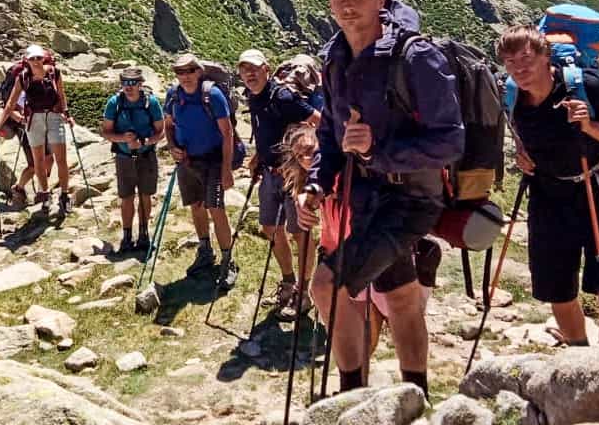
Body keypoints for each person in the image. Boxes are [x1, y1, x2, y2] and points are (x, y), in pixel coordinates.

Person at [295, 0, 464, 396]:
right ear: (330, 5)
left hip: (410, 200)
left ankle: (351, 396)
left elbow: (450, 141)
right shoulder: (334, 58)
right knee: (404, 297)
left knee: (327, 286)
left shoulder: (415, 56)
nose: (348, 6)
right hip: (365, 199)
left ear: (380, 0)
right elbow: (331, 135)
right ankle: (417, 394)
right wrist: (315, 183)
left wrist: (378, 152)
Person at [497, 25, 599, 345]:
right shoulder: (511, 93)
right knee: (557, 289)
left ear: (546, 57)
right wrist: (522, 156)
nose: (519, 68)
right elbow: (524, 136)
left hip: (598, 191)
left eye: (526, 58)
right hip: (548, 194)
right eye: (510, 62)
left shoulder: (584, 86)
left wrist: (589, 126)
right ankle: (579, 361)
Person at [278, 123, 430, 357]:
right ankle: (357, 385)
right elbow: (327, 222)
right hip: (342, 260)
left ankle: (407, 387)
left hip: (368, 253)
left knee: (397, 321)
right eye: (300, 155)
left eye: (311, 150)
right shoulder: (312, 187)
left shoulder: (344, 173)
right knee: (363, 332)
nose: (307, 158)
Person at [239, 49, 320, 321]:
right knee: (270, 228)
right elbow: (266, 130)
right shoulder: (255, 97)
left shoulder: (283, 96)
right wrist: (258, 156)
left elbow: (317, 122)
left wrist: (307, 158)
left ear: (267, 69)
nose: (249, 74)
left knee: (301, 233)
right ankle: (288, 283)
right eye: (244, 69)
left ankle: (304, 293)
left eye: (254, 68)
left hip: (293, 174)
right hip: (270, 172)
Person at [163, 53, 239, 290]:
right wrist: (173, 147)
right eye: (180, 72)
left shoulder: (212, 95)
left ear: (198, 71)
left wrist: (227, 170)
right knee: (196, 205)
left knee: (215, 208)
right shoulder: (173, 94)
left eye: (189, 71)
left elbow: (227, 134)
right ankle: (205, 250)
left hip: (213, 160)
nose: (185, 76)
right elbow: (168, 125)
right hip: (187, 159)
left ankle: (228, 260)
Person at [0, 44, 74, 215]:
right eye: (32, 59)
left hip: (53, 116)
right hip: (34, 120)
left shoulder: (54, 72)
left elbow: (61, 95)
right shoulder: (23, 78)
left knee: (60, 159)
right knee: (38, 161)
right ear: (27, 61)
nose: (36, 61)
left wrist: (66, 113)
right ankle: (44, 194)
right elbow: (9, 104)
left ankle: (64, 195)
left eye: (39, 58)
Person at [101, 67, 165, 253]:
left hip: (146, 154)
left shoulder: (150, 103)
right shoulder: (114, 103)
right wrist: (124, 139)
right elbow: (106, 131)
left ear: (140, 84)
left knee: (146, 195)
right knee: (127, 197)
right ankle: (127, 236)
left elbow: (160, 131)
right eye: (125, 83)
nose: (128, 87)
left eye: (132, 83)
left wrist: (143, 141)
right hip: (124, 156)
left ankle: (144, 234)